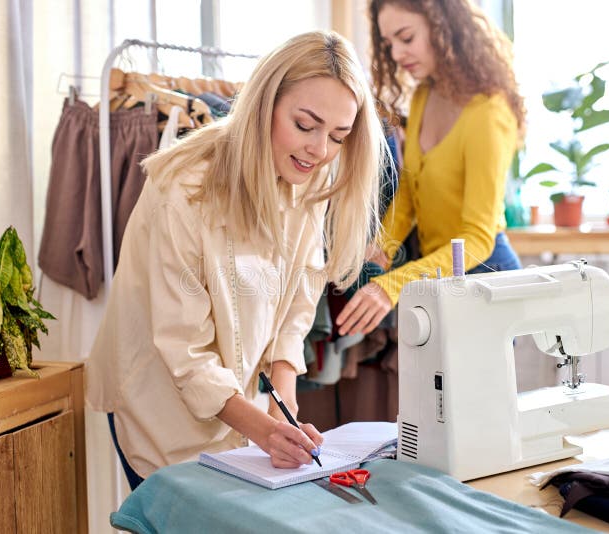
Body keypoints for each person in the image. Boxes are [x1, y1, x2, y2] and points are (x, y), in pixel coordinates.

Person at [86, 30, 386, 489]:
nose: (320, 149)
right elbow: (184, 353)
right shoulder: (184, 190)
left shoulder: (306, 175)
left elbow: (300, 299)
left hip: (232, 406)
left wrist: (281, 400)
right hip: (155, 401)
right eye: (305, 125)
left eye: (338, 136)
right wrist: (265, 431)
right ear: (265, 104)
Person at [337, 0, 526, 336]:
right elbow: (411, 188)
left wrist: (392, 284)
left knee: (472, 391)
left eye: (405, 38)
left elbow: (478, 238)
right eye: (388, 43)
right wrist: (383, 248)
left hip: (484, 274)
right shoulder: (426, 94)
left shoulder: (489, 113)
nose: (395, 53)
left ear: (444, 28)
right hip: (438, 274)